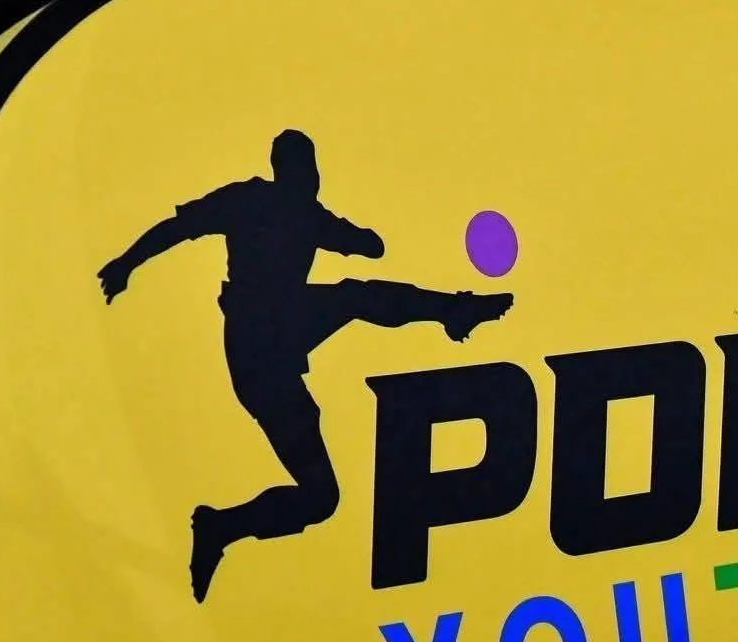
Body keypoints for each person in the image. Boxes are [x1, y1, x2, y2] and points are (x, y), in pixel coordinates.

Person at [97, 129, 513, 603]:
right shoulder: (254, 202)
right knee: (355, 298)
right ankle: (454, 312)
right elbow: (178, 227)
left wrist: (345, 234)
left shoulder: (305, 215)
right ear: (294, 171)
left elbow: (370, 246)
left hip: (278, 344)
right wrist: (127, 262)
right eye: (307, 170)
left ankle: (222, 526)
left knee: (321, 496)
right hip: (259, 342)